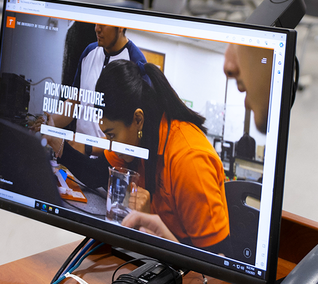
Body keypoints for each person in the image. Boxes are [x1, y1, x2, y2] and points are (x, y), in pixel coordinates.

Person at [99, 60, 230, 251]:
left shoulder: (189, 160)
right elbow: (98, 172)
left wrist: (151, 221)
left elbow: (215, 264)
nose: (108, 143)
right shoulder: (138, 139)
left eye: (111, 135)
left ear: (138, 120)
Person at [43, 24, 147, 186]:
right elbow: (75, 102)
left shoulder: (136, 63)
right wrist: (48, 124)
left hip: (106, 164)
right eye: (96, 23)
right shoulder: (88, 52)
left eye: (103, 25)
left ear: (120, 26)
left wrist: (88, 146)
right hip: (77, 157)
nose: (97, 29)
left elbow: (131, 133)